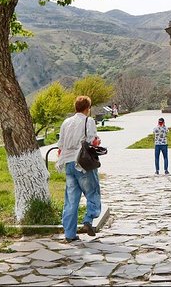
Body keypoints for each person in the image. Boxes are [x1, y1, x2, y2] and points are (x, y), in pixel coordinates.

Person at [55, 95, 101, 243]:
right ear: (88, 108)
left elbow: (60, 144)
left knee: (71, 200)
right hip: (83, 163)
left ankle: (69, 233)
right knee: (93, 192)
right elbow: (92, 141)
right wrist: (97, 141)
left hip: (68, 163)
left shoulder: (66, 122)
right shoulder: (89, 121)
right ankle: (88, 219)